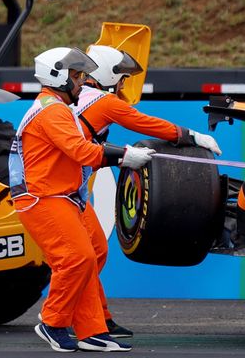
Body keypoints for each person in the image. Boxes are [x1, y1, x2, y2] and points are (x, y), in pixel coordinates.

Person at [9, 47, 155, 352]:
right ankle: (53, 322)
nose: (82, 82)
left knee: (89, 256)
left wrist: (120, 154)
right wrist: (125, 156)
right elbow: (80, 151)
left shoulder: (57, 108)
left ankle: (92, 331)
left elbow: (80, 151)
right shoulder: (53, 111)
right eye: (76, 76)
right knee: (77, 259)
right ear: (58, 77)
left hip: (60, 197)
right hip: (44, 199)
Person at [71, 45, 221, 337]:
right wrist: (191, 136)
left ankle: (97, 318)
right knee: (84, 257)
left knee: (95, 252)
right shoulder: (102, 101)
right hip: (61, 191)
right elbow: (145, 123)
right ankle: (66, 316)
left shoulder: (84, 97)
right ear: (105, 75)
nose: (124, 84)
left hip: (72, 191)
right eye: (122, 78)